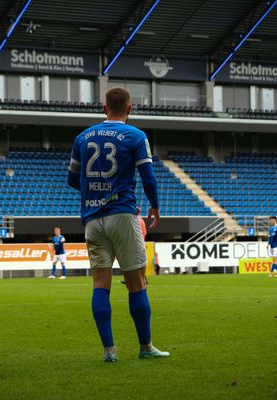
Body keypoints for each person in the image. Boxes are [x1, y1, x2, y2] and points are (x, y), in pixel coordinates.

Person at [67, 87, 169, 362]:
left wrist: (96, 193)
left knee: (101, 283)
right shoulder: (135, 135)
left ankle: (109, 351)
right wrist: (155, 207)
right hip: (123, 213)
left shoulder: (82, 137)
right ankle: (146, 347)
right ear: (129, 108)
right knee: (136, 283)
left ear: (103, 109)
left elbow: (73, 180)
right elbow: (148, 178)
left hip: (91, 218)